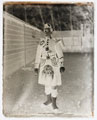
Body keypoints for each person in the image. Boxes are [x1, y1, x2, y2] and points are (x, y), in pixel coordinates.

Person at [34, 23, 65, 113]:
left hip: (54, 63)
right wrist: (36, 66)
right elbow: (38, 55)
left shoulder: (55, 42)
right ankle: (48, 100)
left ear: (51, 31)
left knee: (54, 84)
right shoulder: (41, 42)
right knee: (46, 83)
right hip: (44, 64)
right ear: (44, 31)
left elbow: (60, 54)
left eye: (48, 30)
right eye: (45, 30)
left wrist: (62, 65)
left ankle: (54, 104)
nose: (47, 31)